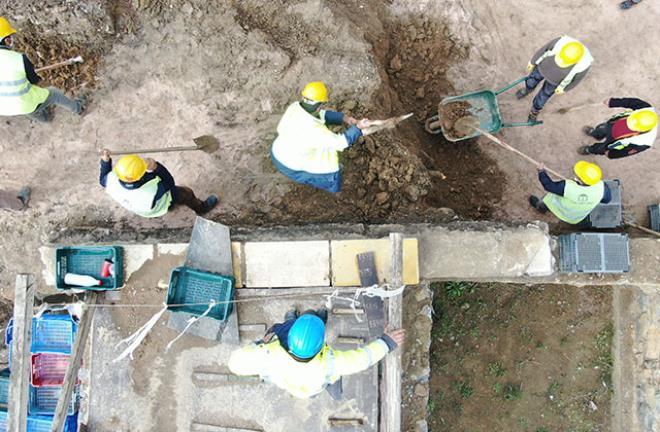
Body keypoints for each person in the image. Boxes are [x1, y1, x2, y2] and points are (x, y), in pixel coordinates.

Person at [228, 308, 405, 399]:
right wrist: (386, 342)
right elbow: (362, 359)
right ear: (321, 344)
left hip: (292, 387)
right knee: (332, 380)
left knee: (282, 326)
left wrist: (259, 344)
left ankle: (292, 319)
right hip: (314, 386)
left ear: (291, 338)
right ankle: (334, 392)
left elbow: (234, 363)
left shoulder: (266, 355)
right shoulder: (330, 363)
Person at [271, 81, 371, 193]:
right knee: (330, 175)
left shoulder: (295, 107)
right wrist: (358, 128)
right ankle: (335, 190)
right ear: (318, 104)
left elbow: (320, 114)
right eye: (322, 103)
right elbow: (341, 143)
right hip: (291, 166)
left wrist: (345, 118)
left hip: (278, 151)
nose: (323, 106)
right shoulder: (314, 130)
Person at [0, 17, 84, 122]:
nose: (11, 40)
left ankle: (46, 119)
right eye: (9, 37)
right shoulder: (19, 59)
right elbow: (34, 81)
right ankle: (78, 108)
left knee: (28, 108)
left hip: (4, 108)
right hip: (22, 102)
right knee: (54, 94)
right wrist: (27, 72)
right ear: (5, 40)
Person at [99, 149, 217, 218]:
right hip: (157, 204)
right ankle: (202, 209)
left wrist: (105, 160)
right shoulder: (152, 190)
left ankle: (171, 206)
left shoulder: (110, 180)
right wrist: (156, 167)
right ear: (140, 175)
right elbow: (169, 182)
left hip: (140, 208)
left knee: (170, 198)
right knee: (186, 193)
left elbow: (103, 178)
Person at [516, 36, 593, 122]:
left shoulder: (584, 64)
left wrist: (564, 89)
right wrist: (533, 61)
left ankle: (535, 110)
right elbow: (544, 49)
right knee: (532, 79)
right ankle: (528, 89)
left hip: (555, 82)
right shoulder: (560, 42)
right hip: (543, 68)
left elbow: (577, 80)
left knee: (544, 95)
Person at [529, 161, 611, 225]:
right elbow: (607, 200)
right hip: (576, 217)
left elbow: (548, 186)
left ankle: (540, 207)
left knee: (546, 201)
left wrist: (541, 172)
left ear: (580, 180)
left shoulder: (567, 187)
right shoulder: (602, 188)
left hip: (558, 209)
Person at [578, 97, 657, 159]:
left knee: (602, 148)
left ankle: (591, 150)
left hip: (615, 139)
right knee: (602, 128)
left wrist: (612, 154)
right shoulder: (646, 109)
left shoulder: (645, 141)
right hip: (613, 124)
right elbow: (630, 102)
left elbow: (628, 151)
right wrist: (613, 102)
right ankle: (595, 133)